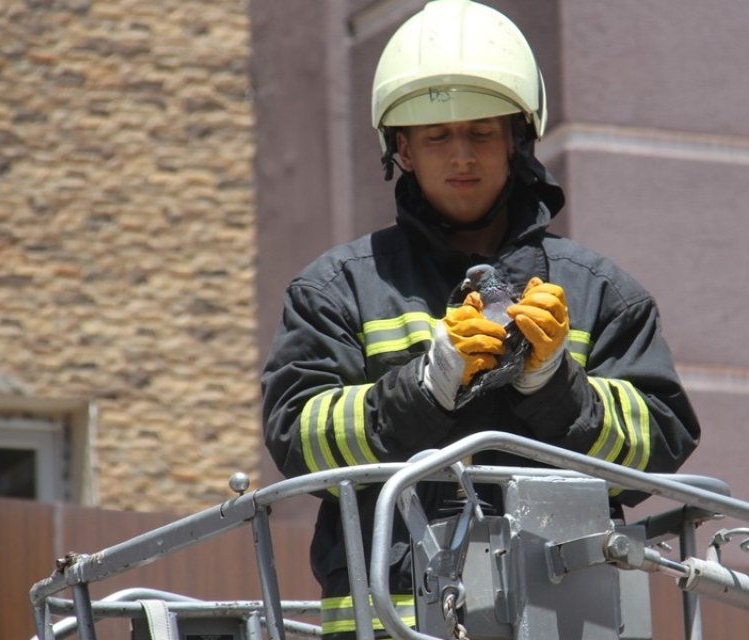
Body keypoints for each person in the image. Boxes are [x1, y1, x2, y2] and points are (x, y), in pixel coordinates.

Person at [260, 1, 700, 636]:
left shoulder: (603, 294)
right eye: (437, 136)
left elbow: (659, 445)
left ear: (517, 140)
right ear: (402, 149)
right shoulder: (338, 290)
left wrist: (554, 385)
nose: (461, 155)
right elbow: (298, 442)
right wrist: (427, 385)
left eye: (482, 133)